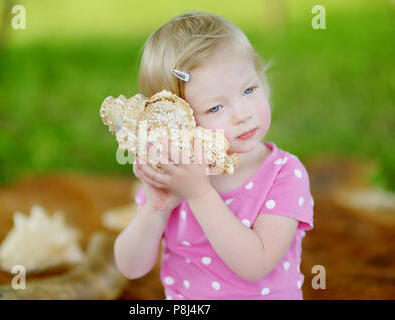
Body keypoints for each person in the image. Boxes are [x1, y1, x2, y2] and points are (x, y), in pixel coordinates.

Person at [114, 10, 314, 300]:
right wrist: (155, 209)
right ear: (174, 121)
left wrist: (199, 194)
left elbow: (255, 264)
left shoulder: (284, 173)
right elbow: (130, 267)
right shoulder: (175, 173)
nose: (243, 114)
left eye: (249, 89)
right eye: (215, 108)